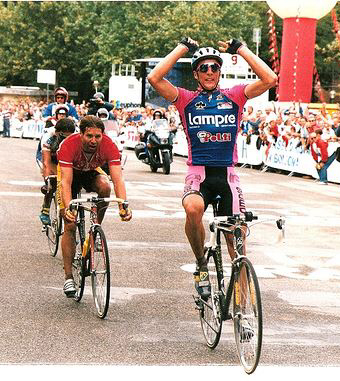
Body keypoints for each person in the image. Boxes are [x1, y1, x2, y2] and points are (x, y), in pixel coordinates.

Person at [147, 36, 277, 299]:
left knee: (237, 244)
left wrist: (240, 49)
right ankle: (201, 264)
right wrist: (183, 47)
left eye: (214, 67)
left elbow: (270, 79)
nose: (209, 72)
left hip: (227, 176)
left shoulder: (235, 96)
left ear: (220, 71)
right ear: (195, 73)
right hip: (199, 174)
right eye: (203, 68)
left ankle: (242, 305)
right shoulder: (185, 99)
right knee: (193, 208)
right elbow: (155, 79)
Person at [57, 115, 132, 296]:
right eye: (89, 136)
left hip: (90, 172)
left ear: (102, 135)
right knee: (69, 224)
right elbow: (66, 182)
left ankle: (95, 228)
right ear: (81, 134)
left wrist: (124, 204)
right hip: (70, 175)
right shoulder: (68, 145)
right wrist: (68, 208)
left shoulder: (109, 145)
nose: (93, 141)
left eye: (97, 136)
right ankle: (68, 277)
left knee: (105, 187)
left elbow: (117, 179)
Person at [39, 118, 76, 225]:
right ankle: (45, 210)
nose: (67, 140)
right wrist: (47, 181)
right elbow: (46, 163)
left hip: (65, 155)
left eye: (70, 137)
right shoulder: (48, 137)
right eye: (64, 137)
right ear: (57, 132)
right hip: (51, 155)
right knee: (53, 181)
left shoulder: (77, 134)